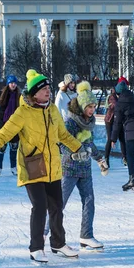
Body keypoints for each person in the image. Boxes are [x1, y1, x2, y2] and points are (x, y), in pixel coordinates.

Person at [0, 69, 84, 263]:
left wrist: (78, 148)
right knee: (40, 206)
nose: (48, 91)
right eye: (43, 89)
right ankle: (36, 248)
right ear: (34, 93)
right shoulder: (23, 112)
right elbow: (3, 135)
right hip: (32, 165)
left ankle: (58, 243)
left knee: (56, 206)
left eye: (49, 88)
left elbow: (63, 135)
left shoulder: (52, 110)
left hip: (53, 166)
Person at [43, 81, 109, 250]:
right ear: (81, 106)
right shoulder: (70, 122)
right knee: (59, 203)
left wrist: (100, 159)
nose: (92, 110)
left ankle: (86, 235)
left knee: (89, 201)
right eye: (89, 106)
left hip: (85, 169)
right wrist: (74, 153)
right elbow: (62, 142)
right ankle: (43, 233)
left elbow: (90, 144)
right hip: (70, 168)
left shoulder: (89, 122)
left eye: (94, 106)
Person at [103, 86, 127, 168]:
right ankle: (106, 158)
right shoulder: (112, 97)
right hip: (110, 120)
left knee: (122, 138)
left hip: (118, 120)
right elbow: (116, 105)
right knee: (110, 139)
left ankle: (125, 158)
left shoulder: (121, 97)